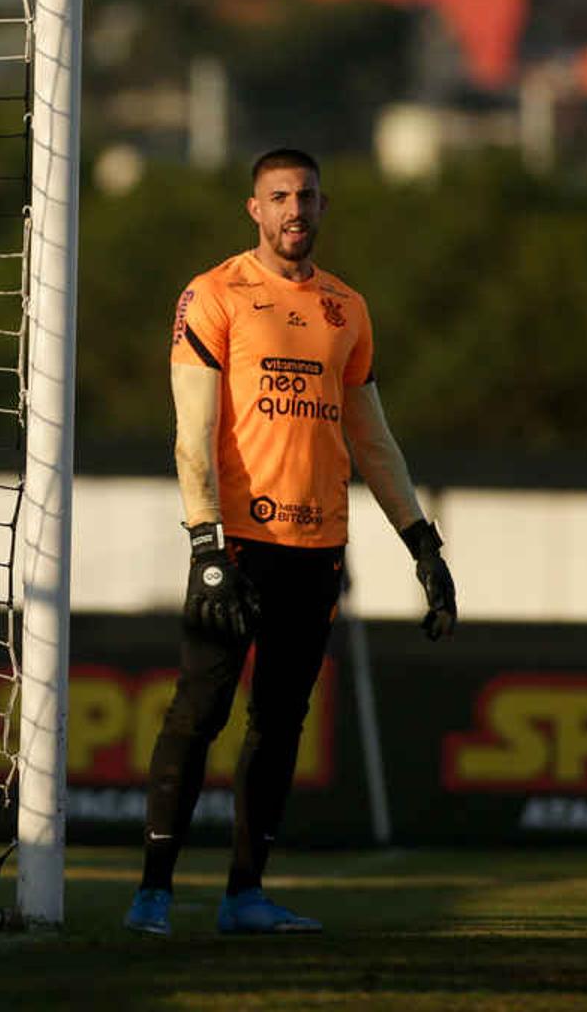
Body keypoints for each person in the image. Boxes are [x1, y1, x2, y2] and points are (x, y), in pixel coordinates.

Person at [123, 147, 457, 937]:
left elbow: (372, 440)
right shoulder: (213, 295)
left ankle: (244, 895)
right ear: (254, 209)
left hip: (318, 551)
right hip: (236, 545)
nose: (294, 211)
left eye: (306, 196)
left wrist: (423, 543)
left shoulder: (349, 310)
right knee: (198, 714)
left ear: (323, 205)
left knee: (279, 723)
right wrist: (206, 547)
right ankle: (154, 894)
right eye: (279, 197)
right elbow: (191, 436)